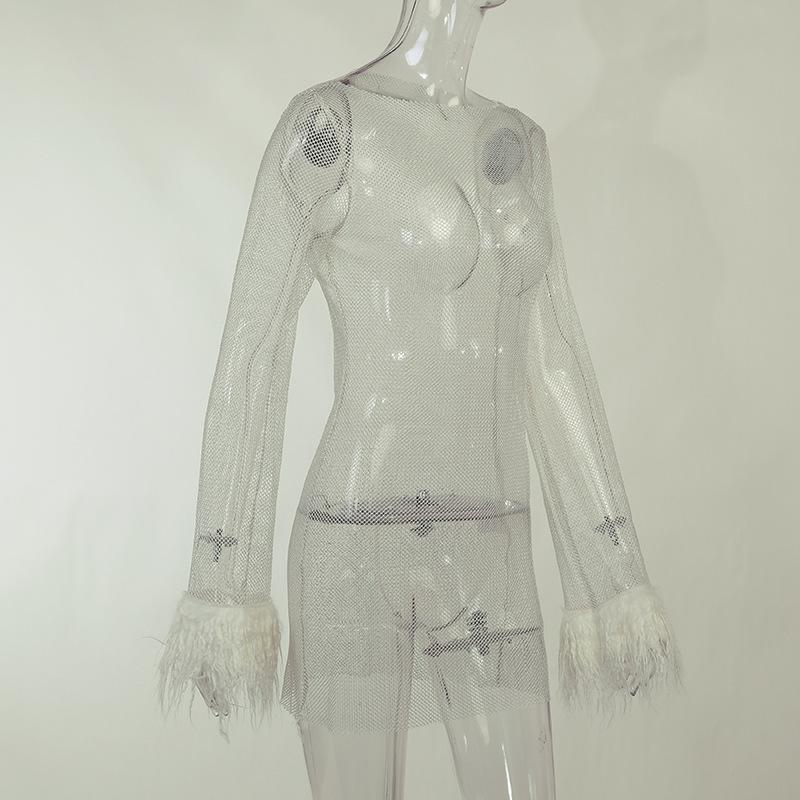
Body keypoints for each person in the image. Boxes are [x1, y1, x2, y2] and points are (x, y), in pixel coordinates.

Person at [155, 1, 683, 797]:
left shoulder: (517, 142)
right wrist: (222, 587)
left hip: (490, 545)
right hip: (351, 547)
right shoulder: (332, 128)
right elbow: (253, 352)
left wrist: (616, 584)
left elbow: (553, 363)